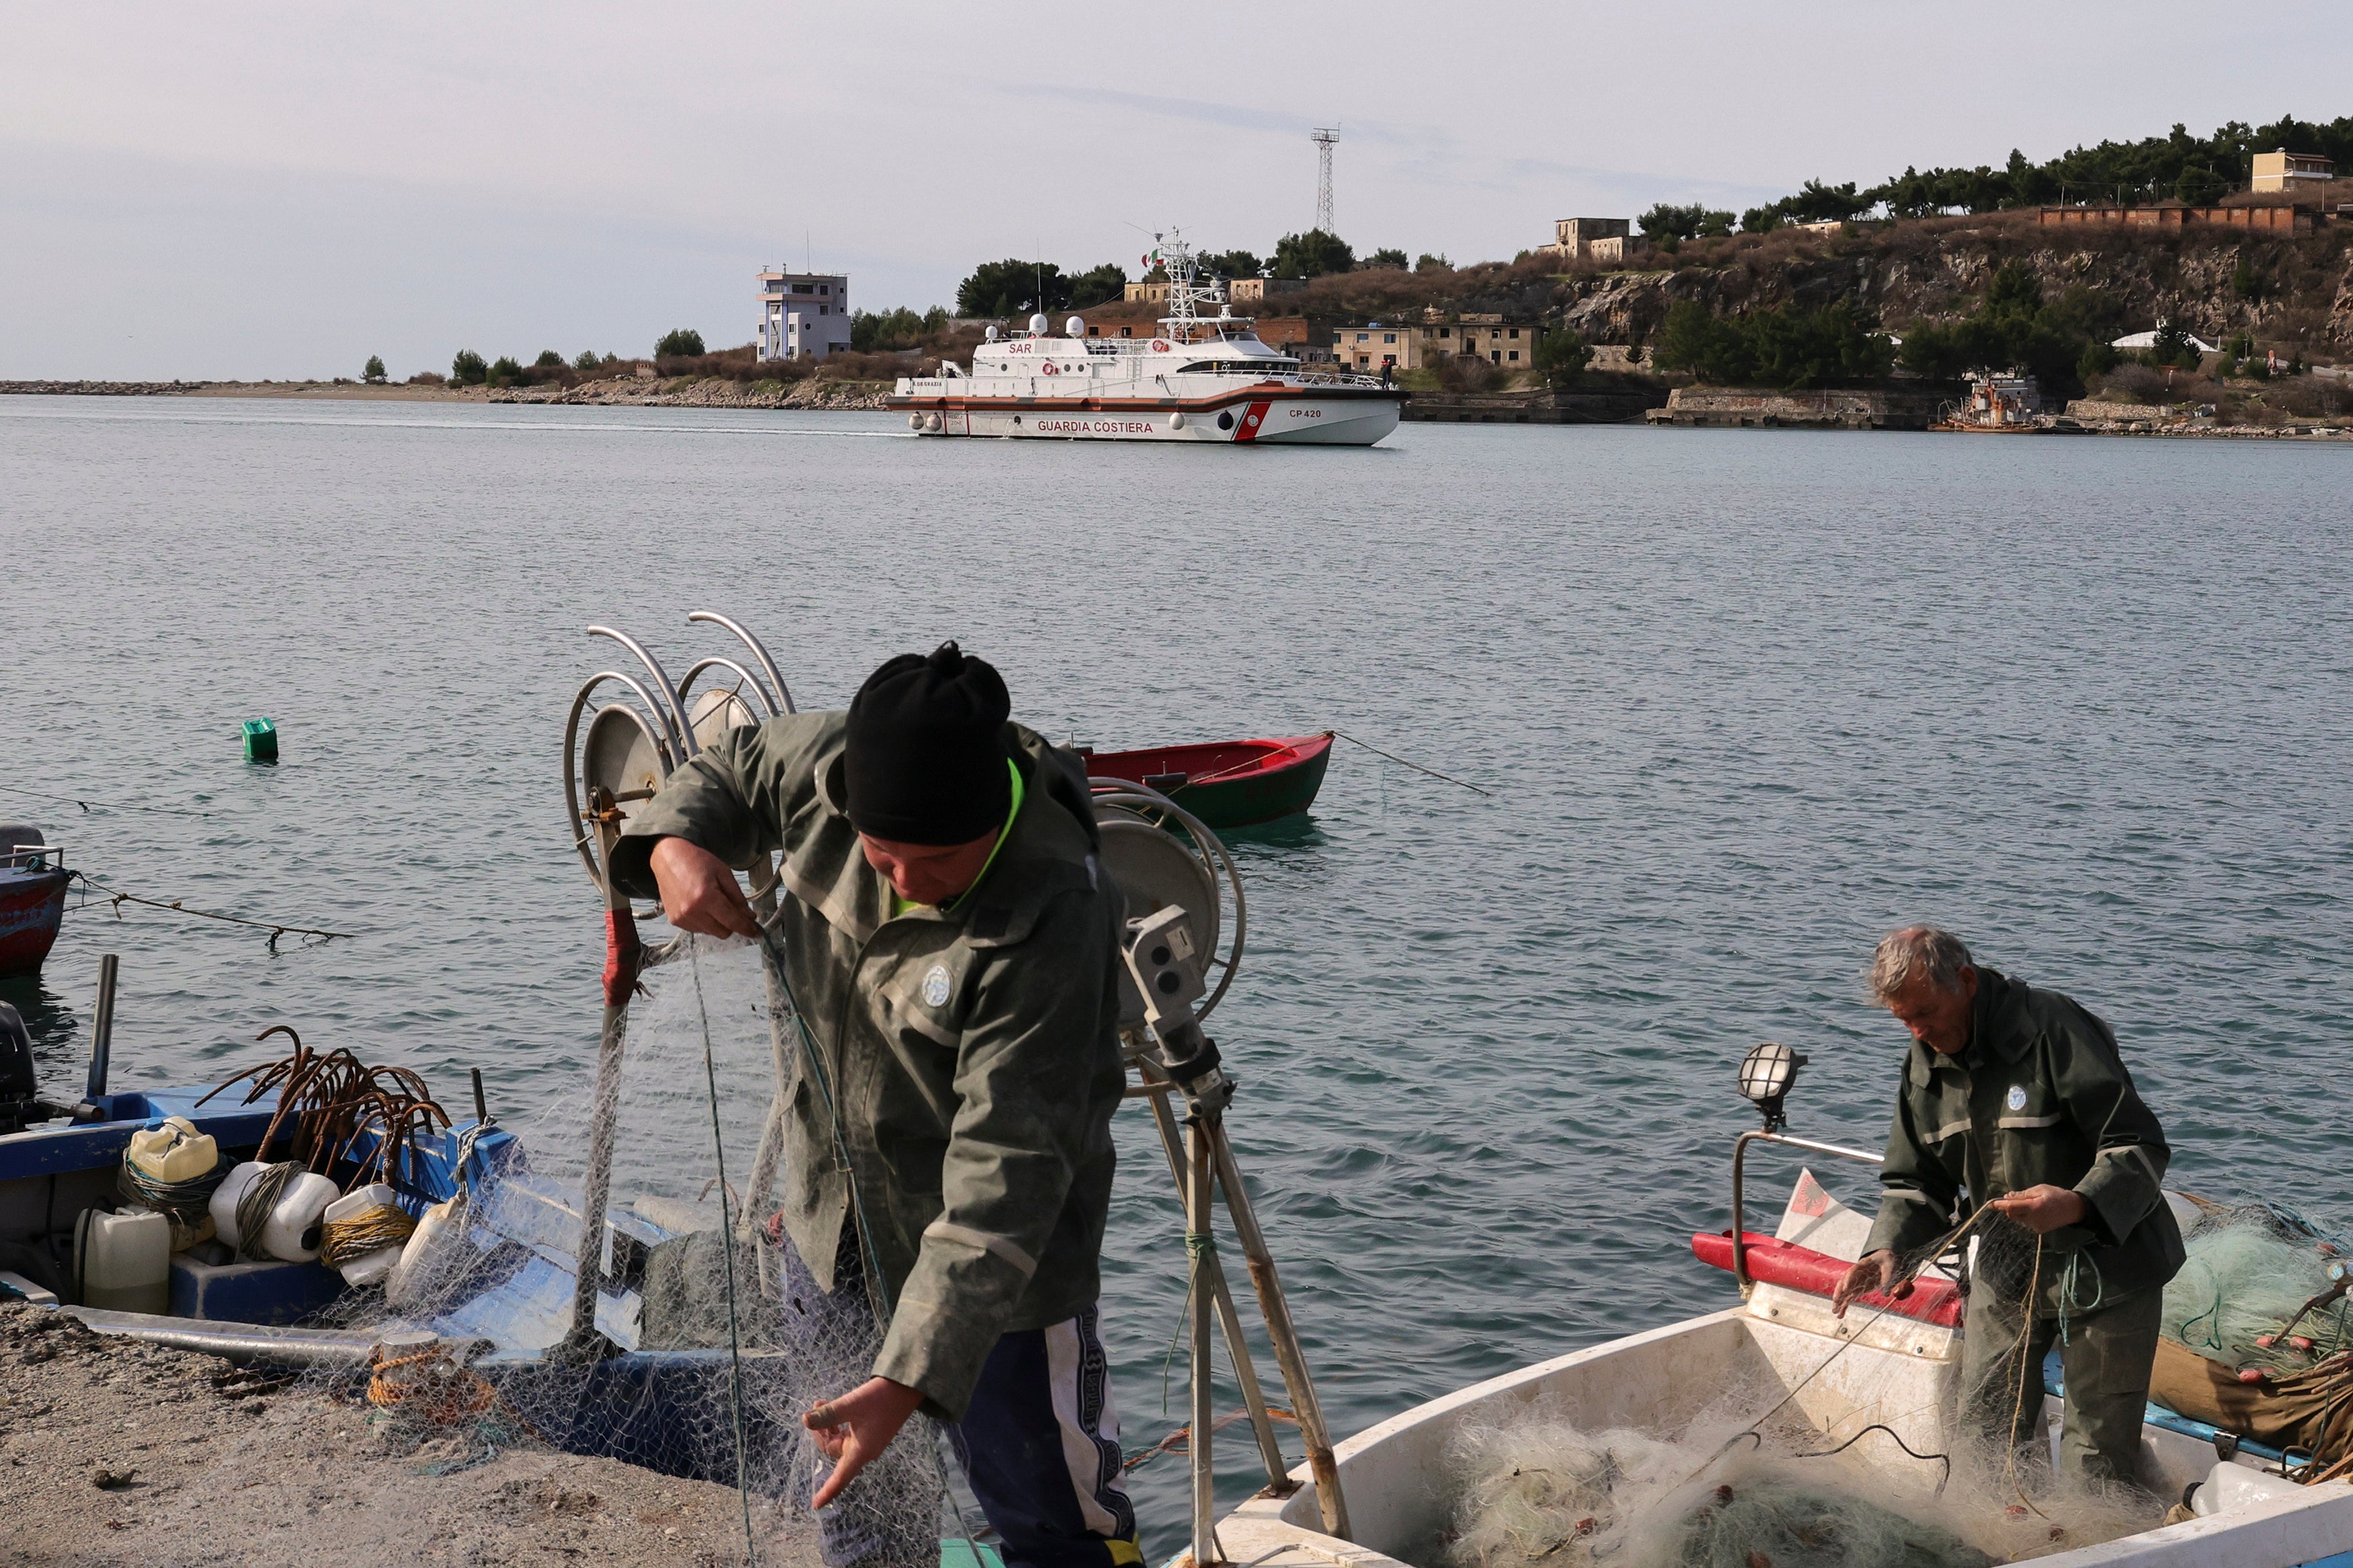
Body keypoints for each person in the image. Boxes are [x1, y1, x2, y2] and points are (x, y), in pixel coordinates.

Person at [610, 641, 1140, 1568]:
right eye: (878, 853)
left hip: (1001, 1279)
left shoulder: (1053, 911)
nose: (898, 882)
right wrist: (673, 845)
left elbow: (1004, 1178)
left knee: (1054, 1526)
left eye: (931, 864)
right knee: (858, 1520)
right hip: (832, 1234)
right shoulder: (828, 767)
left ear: (994, 824)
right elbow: (726, 768)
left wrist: (905, 1379)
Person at [1831, 926, 2184, 1488]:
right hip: (2005, 1266)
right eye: (1903, 1019)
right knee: (1984, 1431)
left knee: (2097, 1456)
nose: (1918, 1031)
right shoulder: (1924, 1062)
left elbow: (2138, 1145)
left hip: (2108, 1267)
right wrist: (1886, 1247)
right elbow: (1914, 1180)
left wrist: (2076, 1202)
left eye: (1926, 1011)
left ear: (1966, 982)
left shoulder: (2053, 1027)